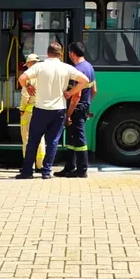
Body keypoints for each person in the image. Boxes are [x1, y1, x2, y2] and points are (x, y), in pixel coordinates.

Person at [15, 42, 90, 180]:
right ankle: (46, 171)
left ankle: (27, 172)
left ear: (47, 53)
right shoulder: (67, 68)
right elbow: (84, 80)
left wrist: (28, 86)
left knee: (33, 141)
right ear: (60, 54)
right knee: (53, 142)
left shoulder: (39, 66)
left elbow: (21, 78)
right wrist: (70, 92)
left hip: (40, 110)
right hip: (59, 111)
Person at [56, 42, 97, 178]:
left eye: (69, 53)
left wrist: (68, 114)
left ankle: (82, 170)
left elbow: (76, 96)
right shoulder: (89, 67)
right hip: (84, 107)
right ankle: (69, 167)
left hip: (76, 109)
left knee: (79, 139)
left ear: (72, 53)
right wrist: (87, 103)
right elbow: (94, 90)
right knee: (72, 140)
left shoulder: (77, 70)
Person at [18, 53, 46, 171]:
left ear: (29, 64)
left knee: (27, 138)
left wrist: (21, 109)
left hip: (29, 112)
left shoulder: (28, 77)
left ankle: (29, 165)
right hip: (42, 110)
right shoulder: (44, 77)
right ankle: (40, 164)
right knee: (41, 138)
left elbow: (25, 96)